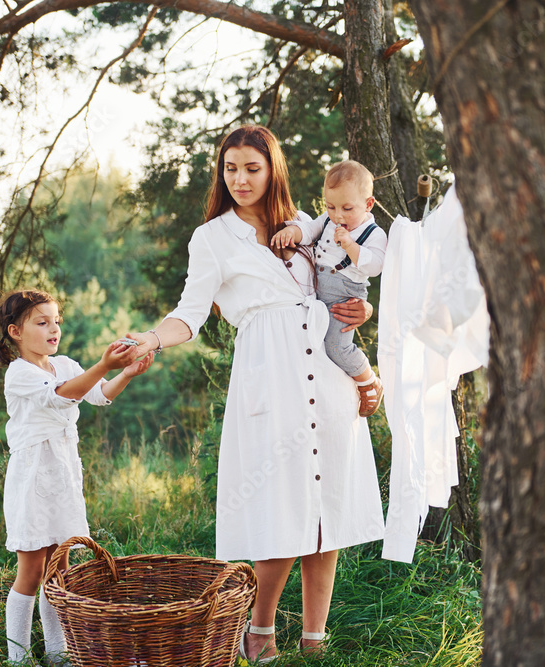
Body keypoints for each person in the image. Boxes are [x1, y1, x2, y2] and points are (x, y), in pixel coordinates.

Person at [126, 125, 385, 662]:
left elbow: (342, 285)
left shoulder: (306, 226)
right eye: (230, 169)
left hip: (328, 372)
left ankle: (316, 639)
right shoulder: (212, 238)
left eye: (252, 168)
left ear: (273, 171)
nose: (240, 179)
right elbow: (190, 313)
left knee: (325, 506)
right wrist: (153, 337)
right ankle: (259, 630)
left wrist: (367, 313)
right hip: (270, 375)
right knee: (278, 507)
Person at [0, 288, 153, 665]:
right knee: (31, 569)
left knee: (59, 568)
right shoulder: (19, 373)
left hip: (63, 475)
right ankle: (17, 657)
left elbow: (96, 394)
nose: (54, 329)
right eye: (42, 322)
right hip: (33, 478)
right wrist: (103, 365)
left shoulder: (64, 363)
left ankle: (57, 651)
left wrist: (125, 372)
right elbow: (61, 396)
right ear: (16, 331)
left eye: (57, 322)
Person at [271, 159, 388, 417]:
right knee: (317, 345)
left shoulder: (373, 233)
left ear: (368, 204)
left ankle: (368, 380)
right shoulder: (329, 219)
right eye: (330, 206)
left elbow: (377, 265)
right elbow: (310, 229)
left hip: (345, 295)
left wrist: (350, 246)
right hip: (318, 291)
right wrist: (293, 232)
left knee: (336, 346)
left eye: (347, 208)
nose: (338, 215)